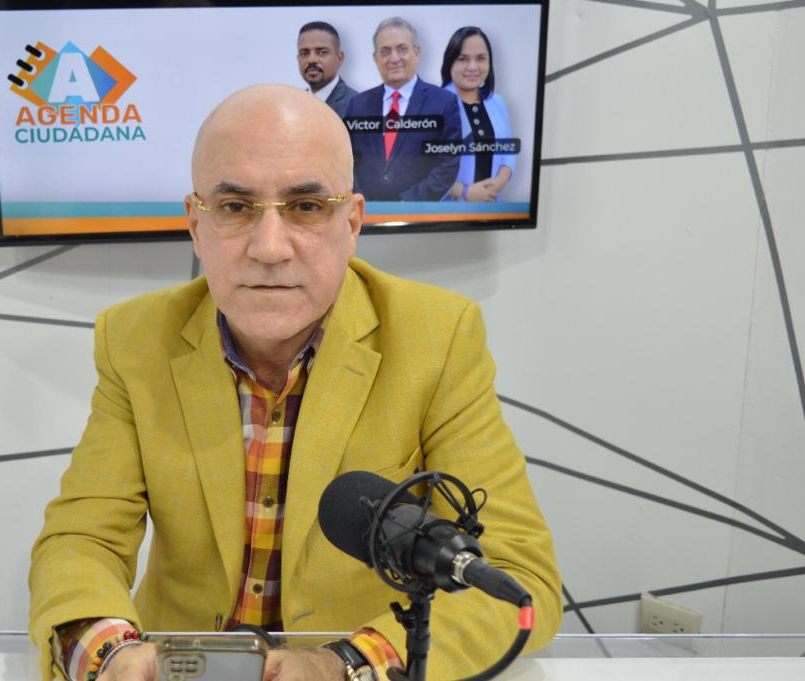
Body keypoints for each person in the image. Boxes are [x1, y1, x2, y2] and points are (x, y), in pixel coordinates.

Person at [28, 84, 561, 681]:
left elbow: (518, 576)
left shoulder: (437, 338)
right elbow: (82, 540)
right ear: (195, 225)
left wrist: (345, 665)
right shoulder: (135, 339)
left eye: (306, 206)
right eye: (235, 207)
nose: (269, 248)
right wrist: (110, 655)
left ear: (352, 222)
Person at [343, 17, 462, 201]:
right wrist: (362, 202)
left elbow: (447, 166)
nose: (394, 58)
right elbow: (346, 160)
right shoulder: (357, 105)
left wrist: (406, 203)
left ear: (417, 52)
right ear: (375, 58)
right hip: (366, 212)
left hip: (418, 213)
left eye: (402, 49)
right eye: (385, 51)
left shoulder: (444, 102)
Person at [440, 27, 515, 202]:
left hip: (491, 209)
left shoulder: (498, 102)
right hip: (447, 212)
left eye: (481, 58)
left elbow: (508, 151)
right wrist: (465, 192)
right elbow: (419, 169)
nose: (472, 67)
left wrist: (495, 186)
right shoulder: (433, 104)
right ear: (450, 62)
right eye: (463, 59)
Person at [297, 21, 358, 117]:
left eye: (322, 52)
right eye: (304, 53)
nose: (311, 60)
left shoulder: (358, 107)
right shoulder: (292, 104)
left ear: (339, 58)